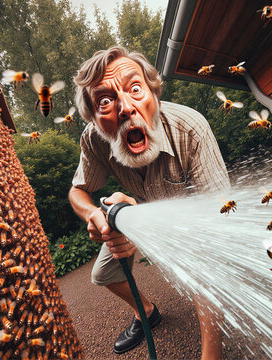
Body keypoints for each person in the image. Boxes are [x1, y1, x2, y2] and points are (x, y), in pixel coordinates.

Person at [68, 45, 230, 359]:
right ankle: (146, 312)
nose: (125, 107)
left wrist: (138, 218)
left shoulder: (190, 130)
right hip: (133, 213)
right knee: (103, 275)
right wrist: (93, 215)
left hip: (198, 225)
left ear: (154, 95)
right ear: (96, 122)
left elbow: (220, 221)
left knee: (199, 273)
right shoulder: (93, 140)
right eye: (105, 100)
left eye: (135, 88)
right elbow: (78, 191)